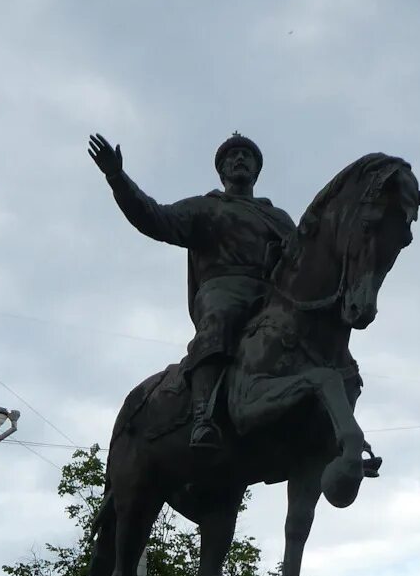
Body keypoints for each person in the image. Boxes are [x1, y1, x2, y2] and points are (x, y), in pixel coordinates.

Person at [88, 131, 298, 451]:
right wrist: (117, 177)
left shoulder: (278, 218)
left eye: (246, 156)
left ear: (256, 170)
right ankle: (203, 416)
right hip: (222, 290)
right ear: (222, 171)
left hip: (268, 296)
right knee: (220, 317)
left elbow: (302, 261)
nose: (239, 159)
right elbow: (153, 216)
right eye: (231, 156)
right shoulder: (205, 209)